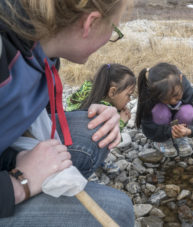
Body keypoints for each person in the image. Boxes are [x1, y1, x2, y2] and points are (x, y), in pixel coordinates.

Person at [0, 0, 134, 226]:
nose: (111, 38)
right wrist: (19, 184)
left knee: (97, 130)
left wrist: (18, 160)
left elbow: (29, 126)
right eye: (114, 30)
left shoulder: (45, 55)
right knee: (117, 211)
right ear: (89, 23)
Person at [135, 62, 193, 157]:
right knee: (160, 112)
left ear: (180, 78)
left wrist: (189, 130)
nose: (173, 101)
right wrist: (169, 131)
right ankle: (162, 140)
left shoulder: (186, 88)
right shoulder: (151, 92)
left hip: (180, 121)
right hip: (162, 123)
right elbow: (148, 126)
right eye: (165, 98)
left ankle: (180, 137)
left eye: (176, 95)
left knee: (188, 112)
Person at [66, 63, 136, 131]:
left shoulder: (87, 91)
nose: (129, 100)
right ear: (112, 92)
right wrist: (121, 122)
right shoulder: (103, 113)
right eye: (128, 95)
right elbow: (106, 139)